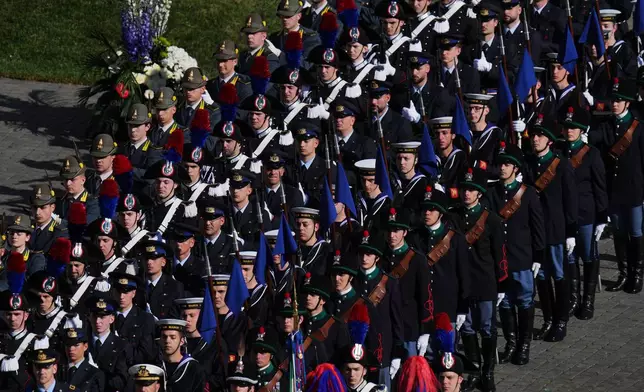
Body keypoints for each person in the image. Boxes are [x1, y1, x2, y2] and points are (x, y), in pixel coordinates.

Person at [485, 142, 545, 366]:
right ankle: (510, 343)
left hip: (521, 258)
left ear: (516, 168)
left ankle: (524, 344)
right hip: (501, 260)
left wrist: (538, 256)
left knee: (525, 300)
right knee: (506, 303)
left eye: (507, 164)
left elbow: (537, 226)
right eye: (500, 164)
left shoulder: (527, 194)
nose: (503, 168)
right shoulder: (491, 194)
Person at [525, 114, 578, 342]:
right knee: (542, 277)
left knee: (559, 275)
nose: (535, 139)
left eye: (540, 135)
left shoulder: (561, 164)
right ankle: (547, 319)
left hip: (556, 229)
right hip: (535, 231)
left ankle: (561, 320)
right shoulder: (527, 163)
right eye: (534, 135)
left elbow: (570, 199)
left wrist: (571, 232)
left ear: (549, 140)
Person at [589, 78, 644, 294]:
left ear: (628, 103)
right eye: (613, 100)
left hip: (634, 188)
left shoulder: (638, 129)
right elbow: (594, 138)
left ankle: (636, 273)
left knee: (636, 231)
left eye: (619, 100)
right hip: (614, 189)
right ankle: (623, 273)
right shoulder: (606, 126)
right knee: (619, 232)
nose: (615, 104)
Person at [453, 168, 505, 392]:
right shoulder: (452, 217)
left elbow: (499, 253)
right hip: (463, 282)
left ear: (480, 193)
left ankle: (488, 371)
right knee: (467, 327)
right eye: (464, 189)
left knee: (487, 327)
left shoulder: (490, 219)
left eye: (472, 190)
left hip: (485, 280)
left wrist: (501, 283)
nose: (467, 193)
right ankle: (473, 371)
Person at [556, 105, 608, 319]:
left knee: (587, 255)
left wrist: (602, 216)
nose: (570, 131)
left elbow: (600, 186)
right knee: (570, 258)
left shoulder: (592, 154)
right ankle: (573, 297)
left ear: (581, 130)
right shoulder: (559, 153)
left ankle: (588, 300)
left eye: (574, 128)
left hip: (587, 214)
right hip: (566, 216)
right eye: (567, 127)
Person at [408, 186, 471, 341]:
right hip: (421, 306)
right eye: (424, 209)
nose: (427, 213)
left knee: (446, 354)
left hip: (446, 304)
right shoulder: (414, 238)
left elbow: (464, 274)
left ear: (441, 213)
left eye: (432, 209)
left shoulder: (455, 239)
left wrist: (462, 307)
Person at [355, 230, 405, 389]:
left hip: (382, 348)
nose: (364, 258)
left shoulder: (389, 283)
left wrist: (397, 352)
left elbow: (396, 318)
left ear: (377, 257)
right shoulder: (353, 281)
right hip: (357, 350)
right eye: (362, 254)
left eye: (369, 254)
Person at [382, 207, 432, 360]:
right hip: (386, 325)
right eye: (389, 231)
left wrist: (425, 330)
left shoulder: (417, 259)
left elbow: (425, 295)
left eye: (397, 231)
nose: (392, 235)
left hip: (409, 325)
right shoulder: (381, 258)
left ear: (405, 233)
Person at [175, 297, 227, 391]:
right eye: (184, 316)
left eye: (192, 315)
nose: (187, 320)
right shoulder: (176, 343)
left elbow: (220, 377)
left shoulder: (216, 343)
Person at [110, 264, 158, 364]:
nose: (121, 296)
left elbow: (146, 354)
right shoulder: (105, 316)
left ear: (133, 293)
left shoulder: (145, 319)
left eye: (126, 292)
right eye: (118, 291)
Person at [301, 273, 351, 360]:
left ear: (323, 300)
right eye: (306, 294)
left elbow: (343, 358)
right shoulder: (300, 323)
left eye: (313, 295)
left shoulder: (336, 326)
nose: (307, 298)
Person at [116, 104, 163, 196]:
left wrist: (127, 170)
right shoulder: (122, 148)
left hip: (142, 198)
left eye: (137, 126)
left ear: (147, 127)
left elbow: (151, 176)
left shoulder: (154, 151)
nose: (133, 130)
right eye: (130, 125)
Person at [86, 295, 130, 392]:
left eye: (102, 317)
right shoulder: (82, 343)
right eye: (94, 316)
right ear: (89, 317)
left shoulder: (121, 345)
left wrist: (97, 375)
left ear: (112, 319)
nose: (98, 321)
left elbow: (121, 381)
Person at [333, 99, 377, 187]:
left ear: (352, 120)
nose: (338, 120)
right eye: (336, 116)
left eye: (342, 116)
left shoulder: (365, 143)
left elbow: (368, 172)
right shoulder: (329, 143)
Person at [140, 233, 185, 319]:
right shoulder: (138, 287)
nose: (149, 262)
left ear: (163, 262)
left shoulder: (175, 287)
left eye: (154, 258)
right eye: (146, 258)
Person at [156, 319, 207, 392]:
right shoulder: (155, 366)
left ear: (182, 341)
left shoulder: (194, 369)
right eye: (164, 337)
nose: (167, 341)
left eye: (173, 337)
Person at [269, 0, 321, 68]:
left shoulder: (311, 37)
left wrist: (279, 54)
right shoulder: (274, 37)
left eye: (288, 16)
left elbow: (307, 65)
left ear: (299, 16)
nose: (284, 19)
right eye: (282, 16)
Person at [464, 94, 504, 181]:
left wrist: (478, 165)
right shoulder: (464, 134)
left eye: (477, 108)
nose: (472, 112)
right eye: (470, 108)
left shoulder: (495, 134)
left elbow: (499, 168)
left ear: (486, 110)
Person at [1, 214, 46, 287]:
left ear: (27, 237)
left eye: (19, 233)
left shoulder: (35, 258)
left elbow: (34, 283)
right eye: (11, 233)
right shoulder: (4, 257)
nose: (14, 236)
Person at [390, 142, 428, 229]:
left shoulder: (423, 184)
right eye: (399, 158)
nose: (402, 162)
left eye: (406, 159)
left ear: (416, 160)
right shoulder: (391, 181)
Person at [57, 155, 101, 224]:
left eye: (72, 179)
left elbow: (85, 225)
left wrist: (60, 222)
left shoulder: (92, 203)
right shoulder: (61, 202)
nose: (68, 183)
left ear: (83, 180)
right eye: (66, 179)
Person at [59, 327, 105, 392]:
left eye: (76, 345)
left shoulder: (94, 374)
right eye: (68, 345)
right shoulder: (57, 371)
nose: (71, 349)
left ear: (85, 346)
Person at [353, 159, 392, 235]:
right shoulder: (355, 199)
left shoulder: (387, 203)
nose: (366, 184)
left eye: (371, 180)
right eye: (363, 180)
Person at [29, 183, 68, 254]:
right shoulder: (27, 228)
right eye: (35, 207)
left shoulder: (59, 233)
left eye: (43, 207)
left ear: (52, 207)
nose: (38, 212)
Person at [169, 222, 206, 296]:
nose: (178, 244)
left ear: (191, 243)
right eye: (176, 239)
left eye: (182, 240)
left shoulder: (200, 267)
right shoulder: (164, 265)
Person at [292, 207, 331, 276]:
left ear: (316, 227)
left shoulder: (326, 250)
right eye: (298, 224)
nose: (301, 228)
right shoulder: (292, 250)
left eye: (305, 225)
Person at [239, 250, 271, 327]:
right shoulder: (232, 293)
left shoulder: (267, 293)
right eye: (239, 269)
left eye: (246, 269)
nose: (242, 273)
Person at [249, 325, 280, 390]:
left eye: (262, 353)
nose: (257, 356)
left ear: (271, 355)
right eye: (255, 352)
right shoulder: (248, 375)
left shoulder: (278, 377)